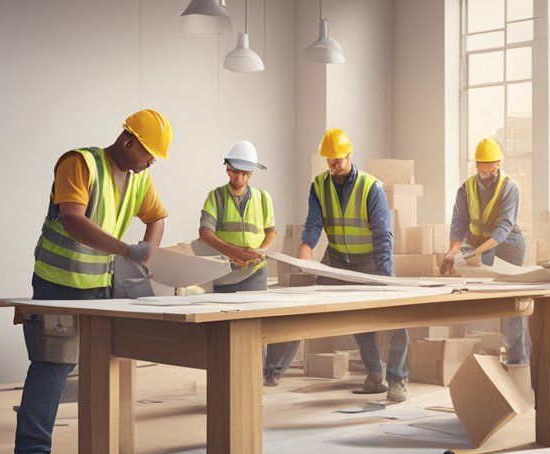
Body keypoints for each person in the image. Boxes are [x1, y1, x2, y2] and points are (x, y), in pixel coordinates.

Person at [17, 109, 171, 454]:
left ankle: (102, 452)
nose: (151, 160)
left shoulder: (140, 177)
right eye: (148, 152)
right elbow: (72, 218)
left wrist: (147, 249)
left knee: (102, 369)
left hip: (100, 286)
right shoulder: (79, 163)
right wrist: (124, 249)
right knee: (52, 368)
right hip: (58, 284)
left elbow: (157, 217)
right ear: (128, 141)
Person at [262, 128, 410, 401]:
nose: (333, 166)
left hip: (370, 261)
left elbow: (382, 235)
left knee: (397, 318)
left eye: (338, 160)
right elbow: (314, 223)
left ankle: (398, 379)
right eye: (329, 161)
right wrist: (304, 250)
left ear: (349, 155)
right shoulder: (319, 186)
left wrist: (386, 277)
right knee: (331, 313)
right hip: (338, 260)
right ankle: (373, 376)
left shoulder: (370, 187)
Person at [439, 137, 531, 366]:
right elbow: (458, 222)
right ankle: (480, 361)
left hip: (508, 245)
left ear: (498, 164)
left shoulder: (509, 187)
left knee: (511, 305)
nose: (487, 174)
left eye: (492, 168)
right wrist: (452, 252)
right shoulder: (466, 188)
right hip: (479, 244)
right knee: (475, 298)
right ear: (476, 165)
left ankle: (517, 362)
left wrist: (477, 253)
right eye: (483, 168)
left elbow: (504, 227)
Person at [197, 140, 277, 375]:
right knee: (226, 328)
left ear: (251, 174)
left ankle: (255, 378)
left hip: (256, 272)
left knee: (255, 327)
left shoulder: (263, 198)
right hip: (226, 271)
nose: (239, 178)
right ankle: (227, 375)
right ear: (227, 169)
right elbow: (204, 233)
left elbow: (271, 231)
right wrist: (235, 253)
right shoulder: (216, 197)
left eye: (244, 173)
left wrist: (261, 251)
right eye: (235, 172)